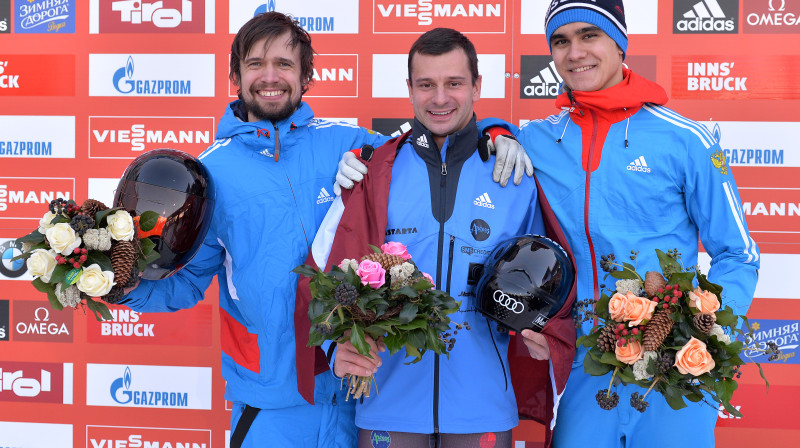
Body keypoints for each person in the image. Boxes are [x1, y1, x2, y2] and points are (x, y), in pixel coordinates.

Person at [120, 12, 532, 448]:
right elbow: (184, 284)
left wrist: (494, 131)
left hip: (360, 394)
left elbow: (433, 140)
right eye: (255, 64)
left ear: (306, 76)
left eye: (284, 63)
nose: (270, 76)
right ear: (235, 75)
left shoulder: (350, 143)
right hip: (272, 403)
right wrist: (117, 280)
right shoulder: (211, 174)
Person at [486, 1, 760, 446]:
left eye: (588, 35)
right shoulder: (539, 138)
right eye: (561, 40)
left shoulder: (684, 138)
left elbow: (738, 253)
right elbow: (474, 130)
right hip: (585, 362)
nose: (574, 52)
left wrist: (700, 327)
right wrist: (495, 134)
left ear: (619, 43)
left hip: (673, 366)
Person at [307, 28, 576, 448]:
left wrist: (549, 333)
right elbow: (324, 274)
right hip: (386, 402)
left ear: (477, 86)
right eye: (426, 84)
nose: (440, 98)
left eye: (454, 83)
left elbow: (551, 280)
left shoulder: (514, 175)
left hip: (482, 403)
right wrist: (331, 348)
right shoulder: (374, 172)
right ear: (410, 89)